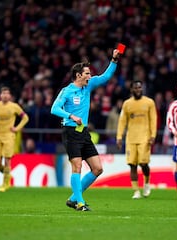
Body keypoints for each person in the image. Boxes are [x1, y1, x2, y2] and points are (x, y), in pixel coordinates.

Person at [50, 48, 120, 211]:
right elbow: (54, 108)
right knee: (77, 167)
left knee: (97, 168)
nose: (90, 76)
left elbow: (106, 77)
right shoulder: (67, 91)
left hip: (84, 133)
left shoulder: (87, 87)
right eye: (87, 73)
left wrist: (114, 60)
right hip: (71, 132)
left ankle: (73, 198)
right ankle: (80, 203)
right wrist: (71, 116)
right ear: (78, 75)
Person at [116, 80, 157, 199]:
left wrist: (153, 135)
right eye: (135, 88)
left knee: (144, 163)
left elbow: (153, 119)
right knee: (132, 165)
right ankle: (136, 191)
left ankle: (147, 183)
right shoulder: (127, 104)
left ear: (142, 89)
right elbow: (122, 121)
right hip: (131, 138)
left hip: (145, 137)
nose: (138, 90)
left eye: (139, 87)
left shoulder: (149, 102)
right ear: (131, 90)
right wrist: (119, 137)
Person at [0, 87, 29, 192]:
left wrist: (16, 129)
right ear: (0, 95)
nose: (5, 95)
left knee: (7, 160)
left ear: (10, 96)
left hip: (9, 136)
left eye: (7, 93)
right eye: (3, 93)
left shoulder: (14, 106)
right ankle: (7, 175)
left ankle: (5, 184)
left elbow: (25, 118)